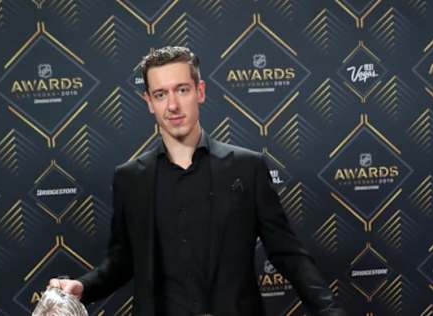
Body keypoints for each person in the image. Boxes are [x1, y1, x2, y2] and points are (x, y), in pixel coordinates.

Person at [49, 46, 347, 316]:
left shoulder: (247, 167)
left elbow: (288, 254)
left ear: (200, 91)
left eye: (182, 90)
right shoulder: (130, 178)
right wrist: (83, 288)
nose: (173, 106)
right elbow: (121, 262)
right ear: (149, 102)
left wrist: (329, 312)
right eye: (161, 94)